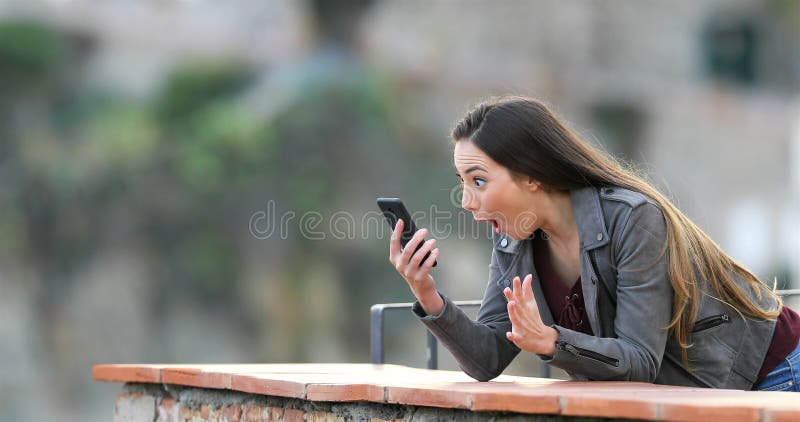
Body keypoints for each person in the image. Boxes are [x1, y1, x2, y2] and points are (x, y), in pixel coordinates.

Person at [387, 96, 800, 391]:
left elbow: (639, 361)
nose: (466, 201)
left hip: (775, 370)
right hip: (700, 391)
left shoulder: (631, 218)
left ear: (532, 176)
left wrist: (552, 341)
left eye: (478, 181)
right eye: (462, 183)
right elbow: (487, 359)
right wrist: (427, 293)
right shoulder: (514, 238)